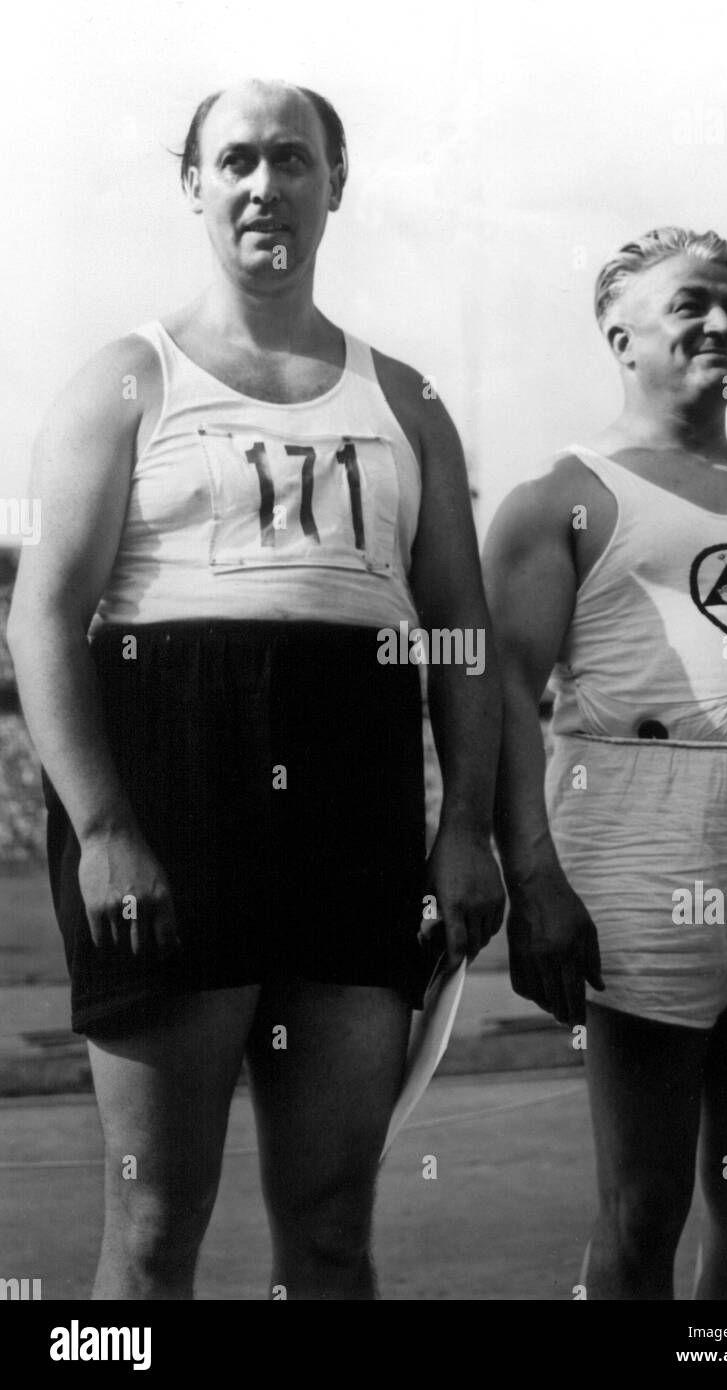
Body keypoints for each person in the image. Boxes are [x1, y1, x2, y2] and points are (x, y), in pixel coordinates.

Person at [8, 79, 504, 1301]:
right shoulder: (130, 378)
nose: (264, 184)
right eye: (235, 160)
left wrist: (464, 828)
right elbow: (44, 617)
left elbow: (458, 629)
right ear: (194, 185)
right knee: (151, 1228)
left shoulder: (406, 400)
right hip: (174, 804)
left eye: (293, 158)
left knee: (333, 1229)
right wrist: (107, 832)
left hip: (353, 811)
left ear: (337, 182)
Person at [483, 226, 727, 1300]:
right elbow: (503, 689)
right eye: (694, 302)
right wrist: (535, 878)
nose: (723, 322)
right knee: (643, 1207)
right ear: (618, 331)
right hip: (649, 852)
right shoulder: (565, 494)